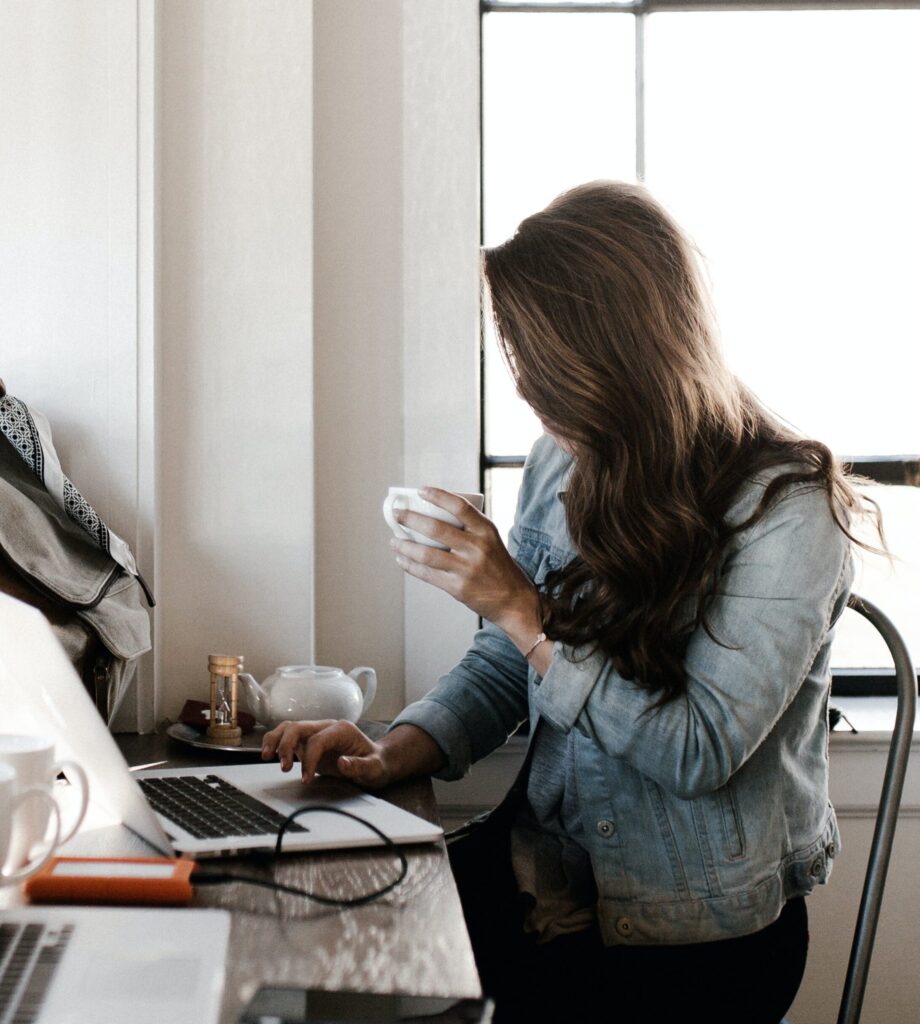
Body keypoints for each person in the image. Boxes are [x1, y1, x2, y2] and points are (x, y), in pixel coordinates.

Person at [262, 181, 881, 1022]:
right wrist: (393, 749)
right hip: (545, 876)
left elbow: (697, 751)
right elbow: (507, 660)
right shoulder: (565, 461)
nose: (527, 392)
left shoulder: (791, 512)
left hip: (693, 938)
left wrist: (521, 606)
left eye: (540, 367)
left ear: (623, 354)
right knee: (314, 939)